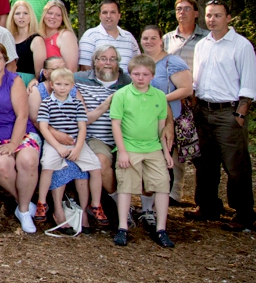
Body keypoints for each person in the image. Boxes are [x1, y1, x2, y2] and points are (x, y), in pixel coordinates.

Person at [189, 0, 256, 232]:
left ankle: (244, 212)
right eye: (209, 16)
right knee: (205, 163)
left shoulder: (241, 45)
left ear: (228, 18)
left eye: (218, 16)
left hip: (228, 112)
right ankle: (208, 206)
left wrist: (240, 113)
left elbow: (249, 83)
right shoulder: (203, 45)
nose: (212, 20)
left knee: (235, 165)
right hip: (203, 110)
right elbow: (197, 79)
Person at [110, 55, 175, 248]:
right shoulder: (121, 95)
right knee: (126, 185)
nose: (140, 78)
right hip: (129, 147)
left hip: (153, 147)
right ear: (130, 75)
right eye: (136, 74)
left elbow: (161, 127)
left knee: (162, 184)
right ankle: (123, 228)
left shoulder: (159, 97)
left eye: (145, 74)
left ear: (152, 76)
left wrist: (166, 152)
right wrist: (122, 151)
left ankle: (161, 228)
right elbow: (116, 125)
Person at [0, 43, 39, 233]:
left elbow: (22, 115)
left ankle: (24, 212)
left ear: (5, 60)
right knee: (3, 166)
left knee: (28, 160)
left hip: (19, 131)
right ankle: (23, 203)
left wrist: (13, 143)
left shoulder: (14, 80)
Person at [35, 67, 105, 229]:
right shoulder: (47, 103)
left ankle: (95, 204)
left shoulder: (77, 104)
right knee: (47, 166)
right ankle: (42, 202)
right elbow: (44, 128)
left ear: (72, 86)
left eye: (66, 84)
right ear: (51, 85)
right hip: (54, 144)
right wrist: (58, 147)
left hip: (75, 142)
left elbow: (82, 128)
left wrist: (79, 148)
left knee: (95, 167)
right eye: (58, 84)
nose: (62, 87)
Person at [141, 26, 193, 207]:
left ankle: (161, 206)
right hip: (145, 121)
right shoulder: (140, 62)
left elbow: (186, 89)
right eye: (145, 38)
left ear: (161, 40)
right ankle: (149, 205)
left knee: (165, 161)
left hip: (169, 118)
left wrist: (160, 99)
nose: (149, 42)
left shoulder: (172, 62)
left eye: (153, 38)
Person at [74, 44, 132, 203]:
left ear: (118, 63)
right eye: (103, 59)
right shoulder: (79, 78)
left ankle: (147, 209)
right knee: (101, 161)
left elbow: (154, 96)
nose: (108, 63)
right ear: (94, 61)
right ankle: (119, 202)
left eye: (112, 59)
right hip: (97, 138)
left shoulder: (128, 81)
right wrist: (33, 85)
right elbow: (55, 79)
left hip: (126, 136)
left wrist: (167, 123)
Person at [78, 0, 141, 72]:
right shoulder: (90, 36)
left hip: (127, 82)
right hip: (98, 83)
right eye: (105, 12)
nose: (108, 16)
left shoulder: (129, 37)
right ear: (99, 16)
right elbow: (85, 68)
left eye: (113, 12)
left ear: (119, 15)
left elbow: (138, 64)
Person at [163, 0, 209, 70]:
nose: (182, 12)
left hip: (197, 81)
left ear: (196, 14)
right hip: (171, 81)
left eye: (187, 9)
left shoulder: (207, 37)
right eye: (179, 9)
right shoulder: (166, 39)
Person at [7, 0, 45, 83]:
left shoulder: (36, 40)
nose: (21, 17)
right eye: (17, 13)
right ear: (12, 16)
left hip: (28, 83)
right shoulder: (9, 38)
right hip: (8, 81)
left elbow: (40, 73)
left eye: (25, 13)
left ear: (31, 16)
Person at [38, 0, 79, 72]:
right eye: (50, 13)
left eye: (58, 15)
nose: (53, 17)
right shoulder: (38, 36)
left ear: (62, 18)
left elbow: (72, 70)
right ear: (44, 14)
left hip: (60, 81)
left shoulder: (65, 36)